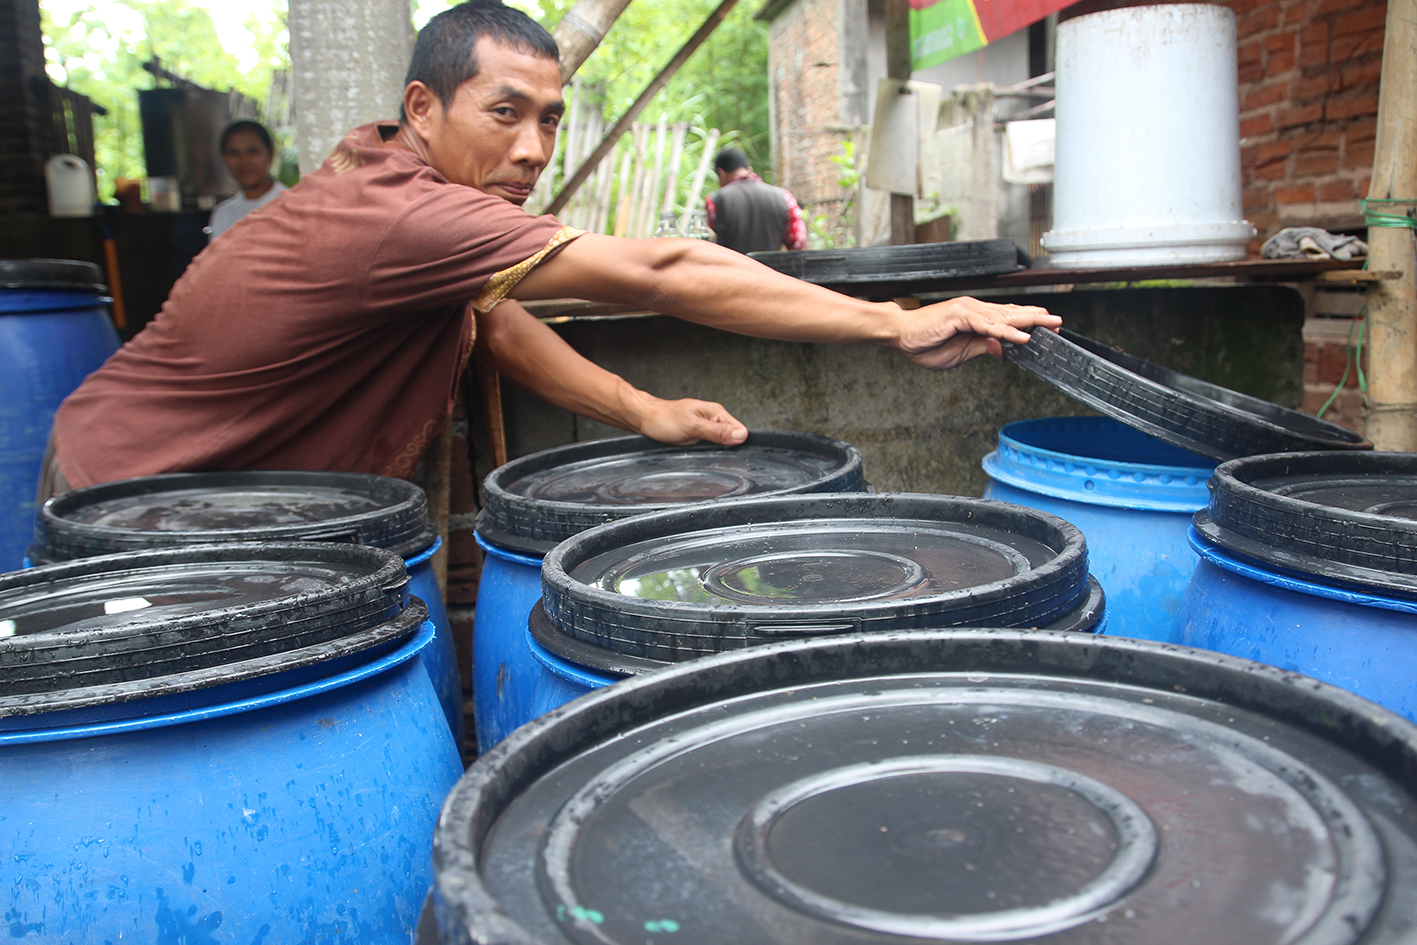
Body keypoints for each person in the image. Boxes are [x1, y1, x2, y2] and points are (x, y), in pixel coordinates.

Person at [43, 0, 1059, 498]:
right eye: (503, 113)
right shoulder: (408, 213)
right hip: (135, 498)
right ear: (421, 107)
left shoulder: (391, 175)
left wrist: (641, 408)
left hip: (209, 493)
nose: (531, 148)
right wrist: (896, 321)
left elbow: (495, 326)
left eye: (550, 120)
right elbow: (664, 269)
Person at [704, 148, 806, 254]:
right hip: (770, 269)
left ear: (721, 173)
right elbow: (798, 242)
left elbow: (705, 246)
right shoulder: (784, 197)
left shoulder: (714, 201)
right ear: (749, 170)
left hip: (729, 269)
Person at [207, 120, 287, 239]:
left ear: (270, 153)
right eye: (233, 152)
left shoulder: (291, 205)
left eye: (252, 151)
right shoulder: (223, 215)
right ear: (224, 158)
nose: (243, 161)